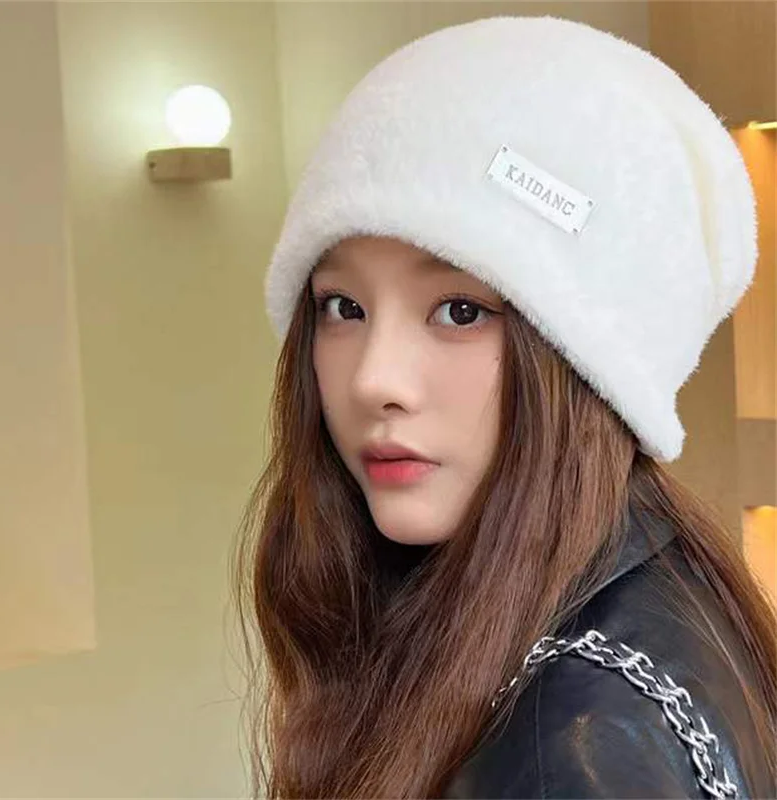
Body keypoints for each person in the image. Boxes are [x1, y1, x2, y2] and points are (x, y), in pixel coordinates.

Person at [230, 15, 777, 799]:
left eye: (460, 311)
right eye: (343, 306)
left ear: (590, 362)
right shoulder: (652, 590)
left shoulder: (569, 748)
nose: (373, 380)